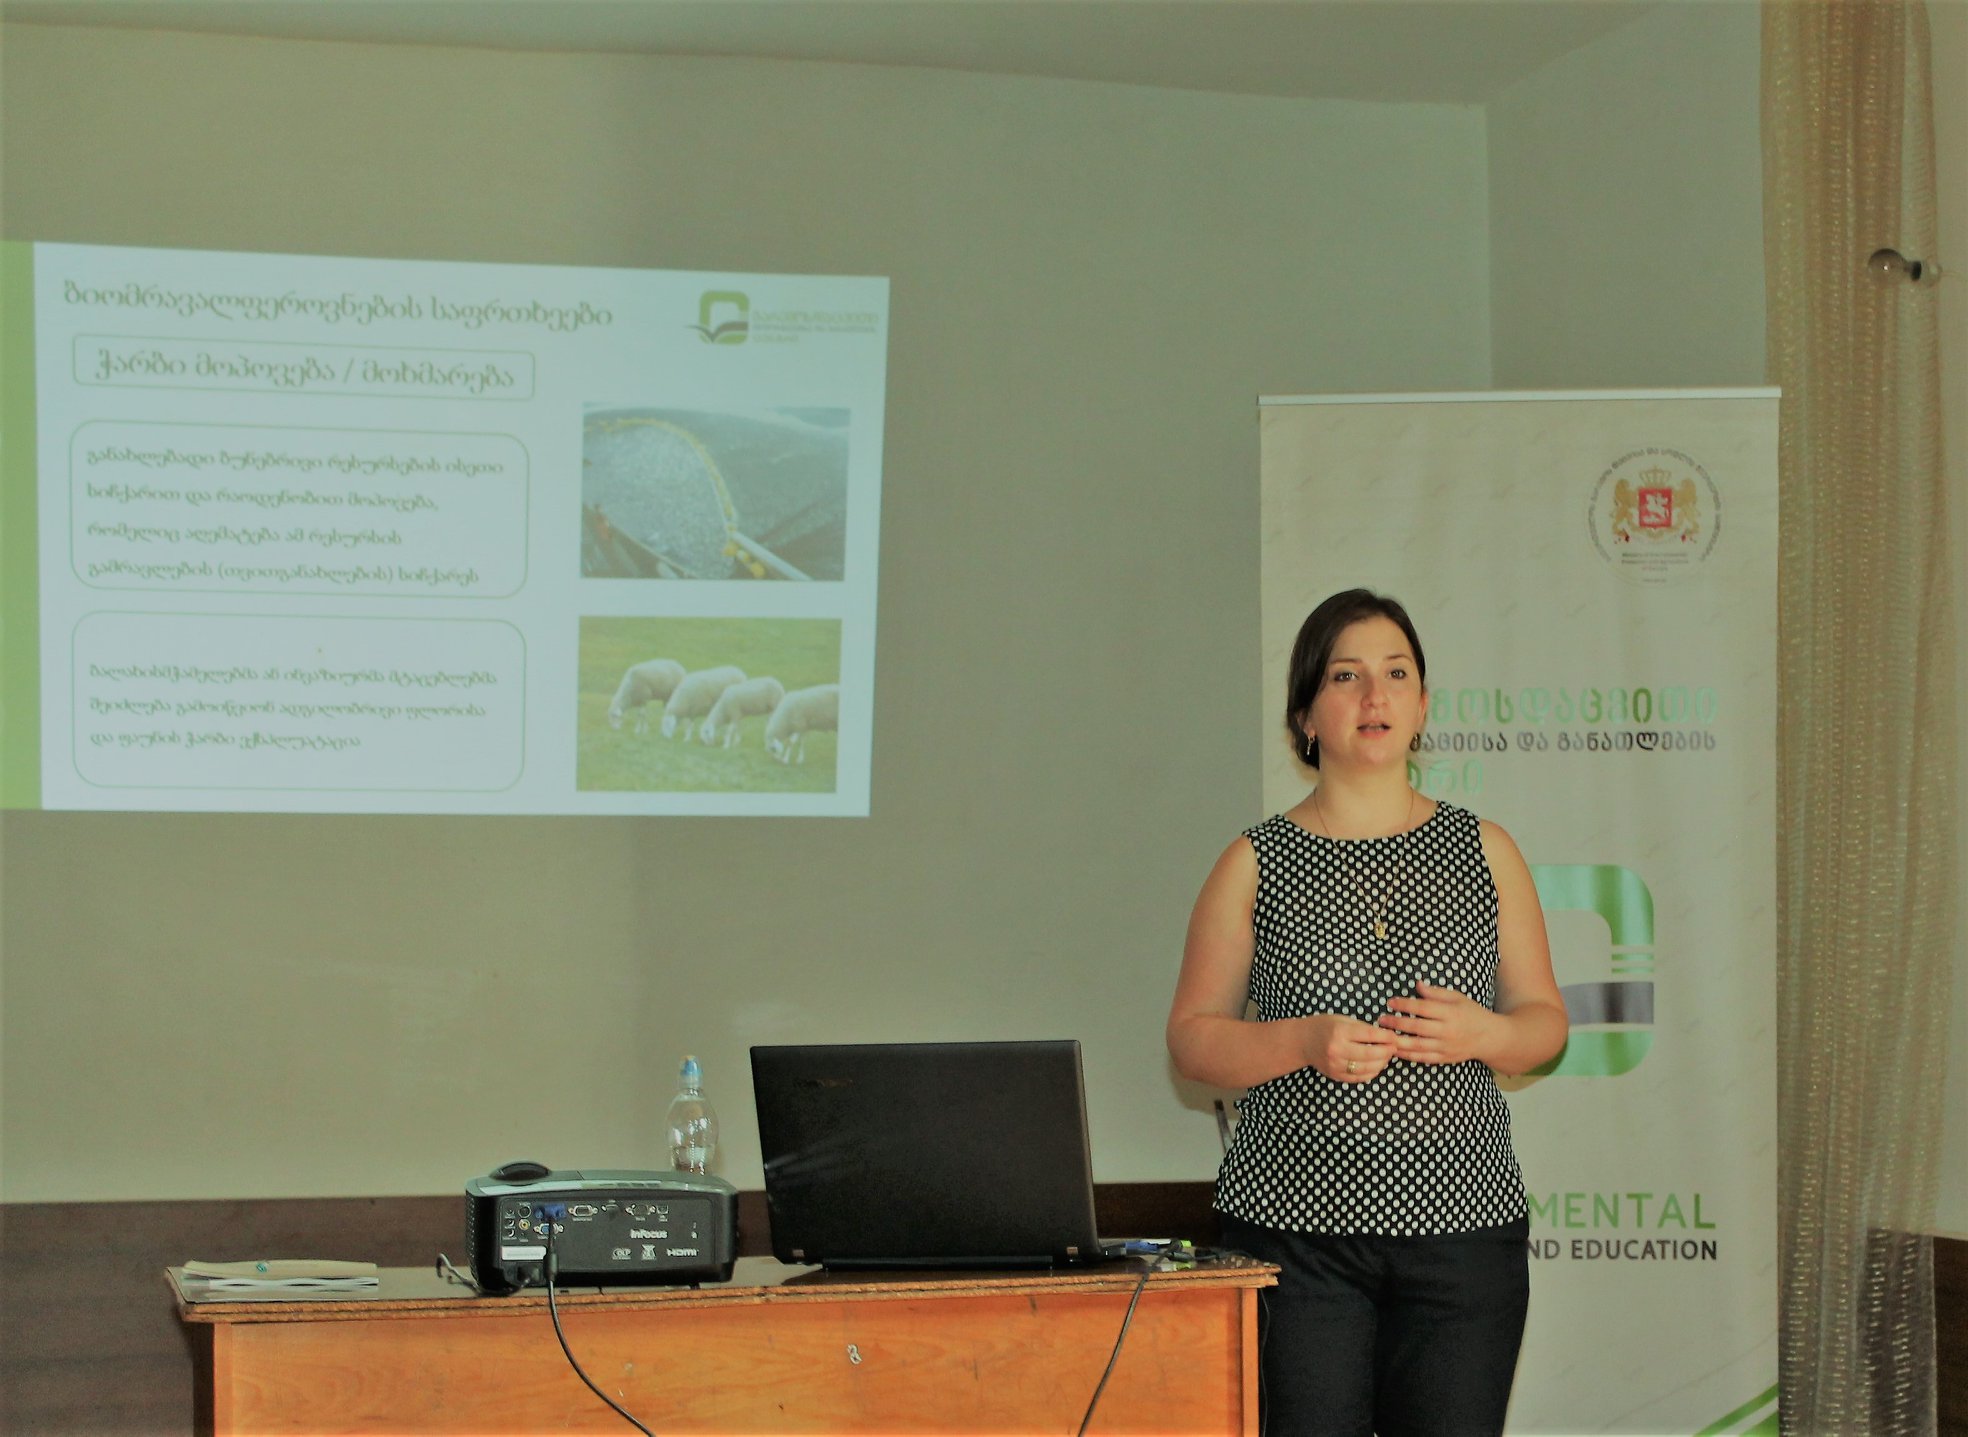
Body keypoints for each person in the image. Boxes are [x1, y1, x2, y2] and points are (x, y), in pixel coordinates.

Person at [1167, 588, 1567, 1437]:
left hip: (1463, 1234)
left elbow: (1544, 1024)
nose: (1374, 695)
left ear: (1423, 707)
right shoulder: (1254, 861)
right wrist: (1303, 1041)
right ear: (1305, 715)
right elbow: (1193, 1040)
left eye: (1397, 673)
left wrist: (1486, 1033)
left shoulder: (1485, 850)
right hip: (1294, 1238)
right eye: (1345, 676)